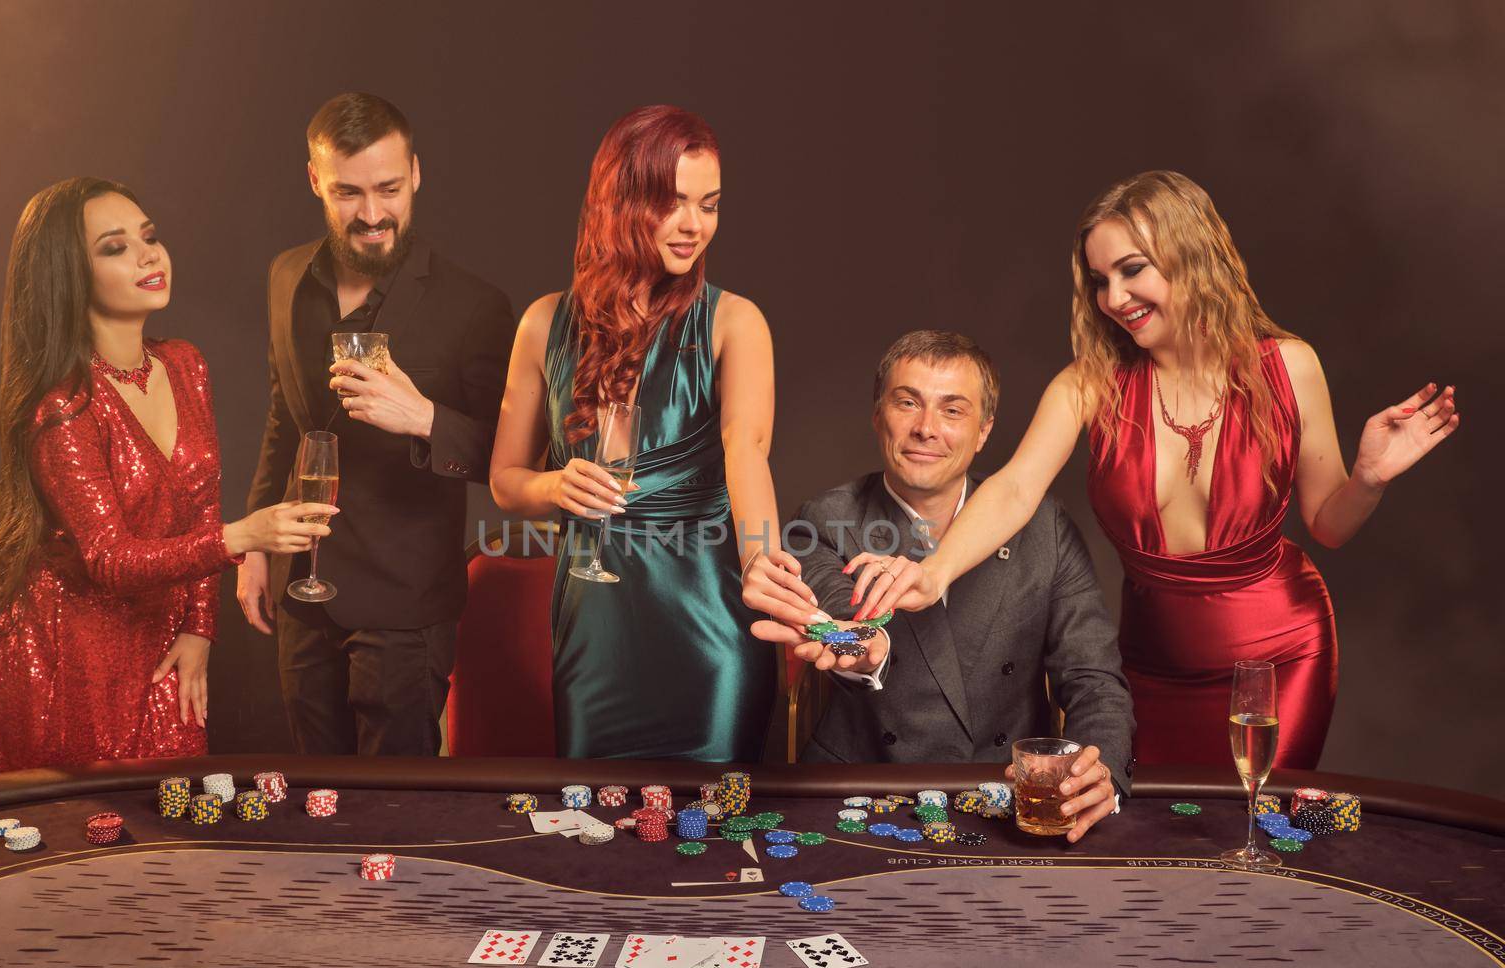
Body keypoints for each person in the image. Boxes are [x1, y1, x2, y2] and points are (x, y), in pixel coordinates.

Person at [788, 171, 1460, 769]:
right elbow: (1017, 486)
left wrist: (1368, 478)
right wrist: (930, 572)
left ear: (1190, 255)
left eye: (1132, 270)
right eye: (1100, 280)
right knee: (1163, 847)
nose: (1114, 297)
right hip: (1154, 663)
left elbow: (1328, 526)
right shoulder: (1090, 384)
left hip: (1278, 654)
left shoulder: (1290, 365)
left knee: (1254, 846)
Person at [0, 178, 331, 775]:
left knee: (167, 825)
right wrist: (243, 538)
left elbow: (200, 508)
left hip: (163, 637)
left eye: (150, 237)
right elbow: (110, 560)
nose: (148, 255)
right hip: (71, 653)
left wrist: (199, 630)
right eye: (115, 247)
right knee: (79, 840)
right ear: (69, 274)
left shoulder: (185, 363)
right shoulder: (63, 406)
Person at [490, 105, 802, 760]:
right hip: (594, 633)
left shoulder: (735, 321)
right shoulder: (543, 324)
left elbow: (747, 451)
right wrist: (554, 483)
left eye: (710, 204)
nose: (696, 225)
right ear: (619, 201)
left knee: (713, 836)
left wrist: (760, 563)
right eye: (674, 202)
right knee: (595, 836)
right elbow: (506, 484)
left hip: (709, 629)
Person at [762, 330, 1133, 841]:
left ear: (984, 431)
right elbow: (842, 613)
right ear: (877, 416)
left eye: (952, 411)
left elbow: (1093, 677)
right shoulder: (825, 519)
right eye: (907, 403)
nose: (926, 429)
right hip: (863, 793)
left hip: (1008, 800)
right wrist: (863, 648)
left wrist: (1101, 767)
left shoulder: (1043, 527)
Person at [238, 93, 514, 758]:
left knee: (394, 814)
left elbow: (516, 462)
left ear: (415, 173)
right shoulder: (284, 277)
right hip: (303, 591)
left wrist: (422, 417)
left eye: (389, 188)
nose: (371, 214)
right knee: (316, 800)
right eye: (347, 192)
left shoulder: (475, 306)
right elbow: (285, 418)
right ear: (315, 181)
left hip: (406, 607)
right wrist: (255, 544)